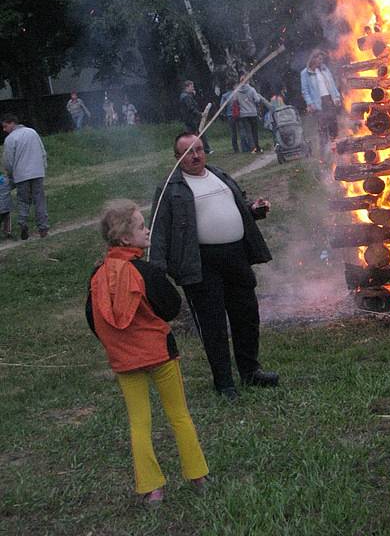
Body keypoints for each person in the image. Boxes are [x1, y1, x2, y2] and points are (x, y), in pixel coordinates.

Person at [86, 199, 208, 505]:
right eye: (142, 226)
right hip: (159, 356)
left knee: (139, 422)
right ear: (125, 238)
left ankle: (152, 488)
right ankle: (197, 475)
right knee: (178, 414)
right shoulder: (146, 271)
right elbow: (171, 306)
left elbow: (93, 317)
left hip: (124, 360)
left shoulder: (97, 274)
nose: (147, 230)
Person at [149, 133, 278, 399]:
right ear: (177, 159)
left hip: (236, 256)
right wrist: (156, 271)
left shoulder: (219, 174)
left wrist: (254, 209)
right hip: (201, 263)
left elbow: (239, 206)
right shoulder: (170, 189)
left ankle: (250, 371)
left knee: (246, 314)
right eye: (188, 153)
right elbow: (158, 231)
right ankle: (224, 382)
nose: (195, 156)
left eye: (198, 150)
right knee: (213, 324)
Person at [1, 113, 48, 240]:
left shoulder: (10, 139)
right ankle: (43, 228)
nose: (4, 129)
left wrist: (11, 175)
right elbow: (42, 151)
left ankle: (23, 224)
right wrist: (43, 167)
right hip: (37, 172)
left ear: (12, 123)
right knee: (39, 200)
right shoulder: (32, 132)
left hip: (21, 175)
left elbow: (8, 161)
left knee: (23, 201)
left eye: (5, 126)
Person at [300, 49, 341, 159]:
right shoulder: (305, 73)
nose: (321, 61)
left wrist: (336, 97)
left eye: (322, 59)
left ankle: (335, 151)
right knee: (323, 128)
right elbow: (305, 91)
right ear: (313, 59)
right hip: (318, 103)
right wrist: (310, 103)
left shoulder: (324, 69)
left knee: (334, 126)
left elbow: (332, 84)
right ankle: (323, 155)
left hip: (329, 100)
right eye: (319, 58)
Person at [234, 76, 272, 153]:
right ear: (248, 81)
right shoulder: (252, 89)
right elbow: (257, 100)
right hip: (252, 113)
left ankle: (252, 148)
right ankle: (257, 147)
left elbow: (235, 101)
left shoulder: (237, 91)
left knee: (248, 132)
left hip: (243, 114)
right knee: (254, 131)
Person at [179, 81, 212, 154]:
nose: (193, 88)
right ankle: (205, 149)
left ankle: (201, 149)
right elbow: (191, 108)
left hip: (189, 119)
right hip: (191, 119)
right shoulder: (186, 97)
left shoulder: (186, 96)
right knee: (197, 134)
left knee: (196, 134)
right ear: (187, 87)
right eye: (192, 86)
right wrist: (200, 114)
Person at [220, 83, 240, 153]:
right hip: (239, 115)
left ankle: (236, 149)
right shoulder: (238, 94)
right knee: (242, 130)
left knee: (233, 132)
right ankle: (246, 146)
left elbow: (222, 106)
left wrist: (224, 114)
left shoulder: (225, 96)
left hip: (230, 115)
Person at [0, 170, 13, 238]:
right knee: (7, 219)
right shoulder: (6, 180)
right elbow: (13, 185)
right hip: (6, 206)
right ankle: (7, 232)